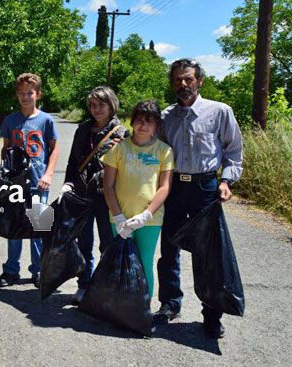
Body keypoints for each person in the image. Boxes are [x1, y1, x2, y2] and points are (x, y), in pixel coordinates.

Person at [155, 58, 243, 338]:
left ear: (199, 81)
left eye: (188, 79)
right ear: (172, 84)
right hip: (174, 188)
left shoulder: (220, 112)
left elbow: (233, 151)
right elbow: (155, 153)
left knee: (208, 253)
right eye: (178, 79)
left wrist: (226, 181)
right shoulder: (165, 117)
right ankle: (170, 304)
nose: (183, 84)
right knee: (169, 248)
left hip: (206, 188)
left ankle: (212, 313)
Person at [61, 86, 129, 303]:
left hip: (107, 195)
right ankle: (84, 284)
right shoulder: (83, 129)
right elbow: (74, 161)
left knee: (108, 243)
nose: (96, 109)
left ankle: (105, 287)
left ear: (111, 105)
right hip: (82, 194)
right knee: (84, 242)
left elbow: (127, 169)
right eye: (92, 105)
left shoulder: (122, 133)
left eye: (101, 104)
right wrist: (68, 185)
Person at [101, 100, 174, 304]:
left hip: (149, 221)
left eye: (149, 122)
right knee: (121, 263)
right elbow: (108, 185)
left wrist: (146, 214)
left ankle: (142, 309)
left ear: (156, 126)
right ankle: (119, 307)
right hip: (120, 219)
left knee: (144, 262)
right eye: (140, 120)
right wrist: (117, 217)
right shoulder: (118, 149)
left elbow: (165, 186)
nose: (144, 125)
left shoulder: (164, 151)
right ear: (132, 122)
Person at [0, 73, 60, 288]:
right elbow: (5, 149)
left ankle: (39, 270)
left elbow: (54, 149)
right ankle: (11, 270)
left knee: (39, 229)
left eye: (29, 93)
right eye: (22, 93)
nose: (25, 97)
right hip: (15, 184)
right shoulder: (10, 120)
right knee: (14, 227)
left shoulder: (46, 120)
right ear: (17, 95)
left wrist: (48, 174)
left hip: (37, 182)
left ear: (38, 94)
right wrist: (5, 175)